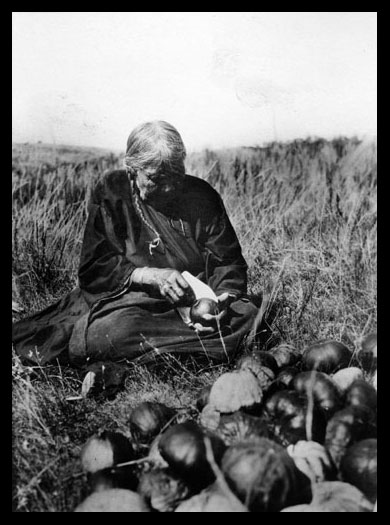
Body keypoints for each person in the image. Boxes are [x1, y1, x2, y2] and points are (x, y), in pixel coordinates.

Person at [13, 121, 259, 371]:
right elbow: (95, 268)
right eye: (155, 178)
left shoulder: (202, 195)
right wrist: (148, 275)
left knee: (248, 314)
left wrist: (218, 301)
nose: (169, 187)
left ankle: (158, 355)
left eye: (177, 176)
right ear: (132, 170)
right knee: (107, 333)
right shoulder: (113, 192)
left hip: (195, 300)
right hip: (134, 303)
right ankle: (196, 351)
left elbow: (228, 262)